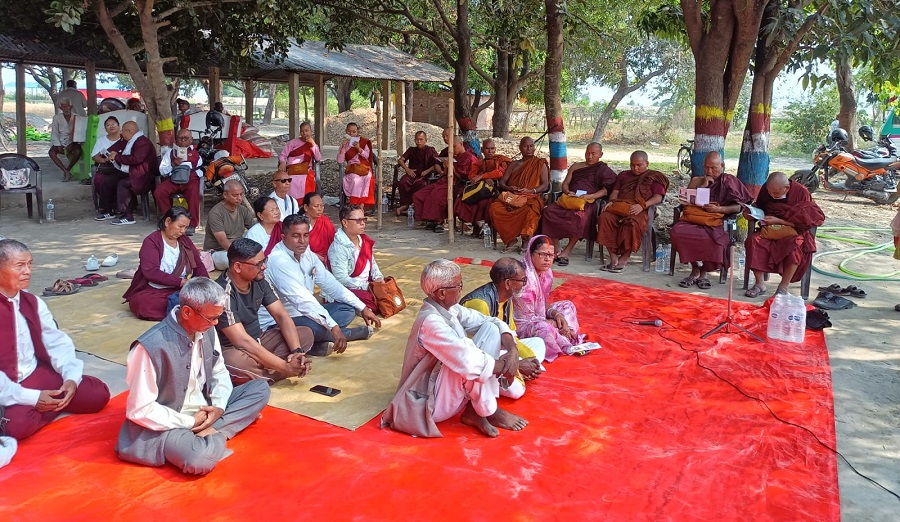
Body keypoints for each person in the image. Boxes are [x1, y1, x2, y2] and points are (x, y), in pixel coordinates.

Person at [115, 277, 270, 476]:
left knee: (260, 389)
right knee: (199, 460)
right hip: (170, 423)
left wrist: (218, 406)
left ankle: (213, 431)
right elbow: (140, 409)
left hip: (205, 409)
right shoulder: (149, 347)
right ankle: (217, 432)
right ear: (187, 312)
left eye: (218, 317)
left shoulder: (207, 330)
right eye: (211, 318)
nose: (216, 323)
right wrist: (189, 422)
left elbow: (218, 371)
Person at [382, 259, 526, 438]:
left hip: (451, 396)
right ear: (442, 293)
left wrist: (512, 352)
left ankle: (477, 409)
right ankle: (487, 410)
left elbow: (492, 321)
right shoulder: (430, 322)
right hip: (429, 402)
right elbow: (468, 361)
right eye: (458, 285)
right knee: (469, 358)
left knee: (490, 330)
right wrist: (507, 367)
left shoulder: (452, 309)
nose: (461, 289)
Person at [0, 239, 110, 441]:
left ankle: (47, 406)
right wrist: (32, 398)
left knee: (98, 394)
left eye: (30, 264)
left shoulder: (32, 302)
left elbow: (56, 342)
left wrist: (70, 379)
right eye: (20, 266)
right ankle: (41, 407)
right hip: (7, 387)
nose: (28, 271)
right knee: (16, 428)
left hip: (35, 373)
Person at [262, 214, 382, 356]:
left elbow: (331, 284)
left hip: (306, 314)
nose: (302, 241)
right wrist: (334, 327)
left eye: (306, 235)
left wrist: (362, 308)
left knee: (347, 310)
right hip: (279, 322)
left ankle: (316, 345)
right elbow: (303, 301)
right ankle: (348, 334)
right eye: (295, 236)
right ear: (283, 237)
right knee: (314, 326)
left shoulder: (306, 253)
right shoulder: (279, 261)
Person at [214, 239, 315, 381]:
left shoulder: (259, 280)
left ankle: (268, 370)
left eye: (264, 260)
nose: (264, 267)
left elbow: (281, 316)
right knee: (235, 362)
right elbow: (242, 341)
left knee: (305, 333)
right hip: (234, 349)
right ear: (237, 267)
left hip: (260, 340)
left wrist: (297, 352)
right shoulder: (222, 293)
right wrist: (285, 367)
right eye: (258, 264)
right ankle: (278, 371)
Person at [460, 257, 546, 399]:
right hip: (480, 357)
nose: (525, 285)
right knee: (517, 392)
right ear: (508, 283)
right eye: (523, 281)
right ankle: (512, 372)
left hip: (503, 349)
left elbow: (512, 336)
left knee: (539, 343)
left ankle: (518, 369)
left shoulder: (507, 298)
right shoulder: (480, 304)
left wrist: (530, 358)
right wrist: (518, 363)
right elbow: (479, 350)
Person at [670, 152, 752, 289]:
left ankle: (703, 273)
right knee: (677, 231)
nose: (709, 171)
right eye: (706, 168)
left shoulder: (729, 181)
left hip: (716, 221)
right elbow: (685, 202)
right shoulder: (696, 180)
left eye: (713, 168)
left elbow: (739, 206)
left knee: (714, 240)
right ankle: (695, 268)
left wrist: (719, 210)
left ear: (722, 166)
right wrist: (702, 185)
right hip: (694, 219)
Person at [744, 172, 825, 297]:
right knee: (753, 241)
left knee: (796, 246)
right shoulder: (767, 189)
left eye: (775, 193)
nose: (771, 195)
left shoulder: (801, 193)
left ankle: (783, 286)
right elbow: (760, 206)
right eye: (770, 192)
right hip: (769, 230)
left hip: (793, 231)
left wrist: (779, 221)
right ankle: (759, 283)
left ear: (786, 188)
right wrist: (751, 212)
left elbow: (807, 219)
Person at [122, 208, 209, 321]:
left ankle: (184, 309)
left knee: (206, 295)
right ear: (168, 222)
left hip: (181, 289)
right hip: (155, 290)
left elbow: (198, 265)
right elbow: (151, 272)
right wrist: (181, 282)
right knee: (142, 304)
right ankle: (187, 310)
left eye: (186, 227)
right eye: (180, 226)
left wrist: (206, 284)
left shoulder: (185, 240)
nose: (183, 231)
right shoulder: (151, 242)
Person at [541, 142, 617, 265]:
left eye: (593, 154)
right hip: (570, 199)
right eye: (588, 153)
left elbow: (607, 189)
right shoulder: (576, 166)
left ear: (600, 154)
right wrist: (567, 191)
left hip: (588, 202)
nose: (590, 156)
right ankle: (556, 246)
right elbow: (565, 183)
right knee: (548, 211)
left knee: (580, 218)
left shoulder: (602, 169)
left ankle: (567, 250)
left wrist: (591, 196)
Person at [514, 235, 585, 362]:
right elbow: (525, 319)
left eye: (551, 255)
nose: (547, 259)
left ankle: (565, 332)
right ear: (531, 253)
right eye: (542, 254)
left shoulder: (547, 273)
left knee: (567, 306)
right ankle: (564, 340)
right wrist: (552, 323)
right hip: (521, 324)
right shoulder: (524, 278)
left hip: (538, 317)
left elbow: (542, 303)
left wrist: (556, 314)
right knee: (544, 328)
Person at [596, 150, 669, 272]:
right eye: (632, 165)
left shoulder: (653, 177)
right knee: (604, 217)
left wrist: (643, 205)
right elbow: (615, 192)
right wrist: (612, 202)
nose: (635, 168)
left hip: (639, 210)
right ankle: (613, 257)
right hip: (620, 207)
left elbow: (658, 197)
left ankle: (624, 257)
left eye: (639, 165)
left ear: (647, 163)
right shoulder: (624, 175)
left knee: (632, 223)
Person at [488, 137, 550, 252]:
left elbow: (545, 185)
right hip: (512, 197)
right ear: (520, 148)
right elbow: (502, 183)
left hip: (530, 197)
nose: (529, 149)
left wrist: (532, 191)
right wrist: (509, 188)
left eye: (531, 146)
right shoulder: (514, 164)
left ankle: (526, 241)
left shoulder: (540, 164)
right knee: (494, 208)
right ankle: (510, 240)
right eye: (526, 146)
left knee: (532, 210)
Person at [414, 136, 477, 233]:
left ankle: (438, 221)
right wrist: (446, 167)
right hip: (443, 181)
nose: (452, 150)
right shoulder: (454, 157)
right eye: (450, 147)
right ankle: (428, 220)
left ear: (461, 144)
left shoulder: (470, 157)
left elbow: (464, 177)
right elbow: (444, 174)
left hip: (457, 184)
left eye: (454, 146)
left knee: (436, 194)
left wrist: (453, 169)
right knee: (419, 195)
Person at [328, 205, 384, 313]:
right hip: (347, 289)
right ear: (345, 222)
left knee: (389, 288)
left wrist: (379, 279)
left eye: (364, 219)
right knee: (373, 301)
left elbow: (373, 264)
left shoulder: (363, 241)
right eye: (358, 220)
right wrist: (367, 286)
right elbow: (341, 279)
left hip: (368, 285)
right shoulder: (338, 248)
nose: (363, 223)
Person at [453, 138, 510, 236]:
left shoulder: (501, 160)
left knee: (488, 204)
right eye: (487, 149)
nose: (490, 151)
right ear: (482, 150)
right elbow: (471, 175)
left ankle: (489, 229)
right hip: (480, 190)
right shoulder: (479, 163)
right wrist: (483, 179)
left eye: (492, 149)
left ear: (495, 149)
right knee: (461, 200)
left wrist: (482, 176)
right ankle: (477, 225)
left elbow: (500, 173)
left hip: (496, 191)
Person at [105, 121, 157, 226]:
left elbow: (135, 159)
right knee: (109, 181)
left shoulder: (143, 142)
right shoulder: (132, 141)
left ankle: (127, 216)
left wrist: (117, 157)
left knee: (122, 183)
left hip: (143, 177)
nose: (121, 135)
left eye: (122, 132)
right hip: (133, 172)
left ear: (128, 131)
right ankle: (108, 210)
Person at [154, 129, 203, 236]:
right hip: (173, 180)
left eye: (186, 138)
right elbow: (162, 170)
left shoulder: (196, 154)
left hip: (190, 180)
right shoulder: (170, 152)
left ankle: (192, 224)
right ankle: (170, 218)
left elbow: (199, 170)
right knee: (159, 192)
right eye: (180, 138)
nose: (183, 141)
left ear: (191, 140)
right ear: (176, 140)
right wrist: (173, 164)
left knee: (194, 193)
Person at [203, 180, 256, 270]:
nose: (239, 198)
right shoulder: (216, 213)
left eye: (241, 194)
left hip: (238, 249)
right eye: (235, 195)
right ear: (225, 195)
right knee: (230, 261)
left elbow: (255, 229)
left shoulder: (243, 210)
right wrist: (240, 255)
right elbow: (222, 240)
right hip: (218, 252)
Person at [395, 130, 440, 216]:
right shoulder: (411, 150)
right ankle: (405, 205)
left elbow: (436, 164)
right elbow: (400, 160)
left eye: (421, 139)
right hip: (412, 174)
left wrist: (427, 171)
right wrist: (407, 169)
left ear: (426, 140)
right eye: (416, 140)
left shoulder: (431, 150)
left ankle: (414, 206)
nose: (418, 142)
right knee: (403, 182)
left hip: (424, 175)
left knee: (421, 184)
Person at [277, 121, 321, 200]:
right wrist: (283, 162)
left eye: (306, 131)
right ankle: (291, 202)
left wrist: (313, 144)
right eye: (302, 131)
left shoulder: (313, 145)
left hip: (306, 170)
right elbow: (283, 155)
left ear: (311, 131)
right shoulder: (293, 143)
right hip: (292, 170)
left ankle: (306, 202)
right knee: (289, 181)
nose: (304, 133)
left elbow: (318, 158)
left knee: (307, 180)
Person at [337, 122, 375, 210]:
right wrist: (342, 148)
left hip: (363, 167)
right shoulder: (344, 144)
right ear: (346, 131)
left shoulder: (363, 142)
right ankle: (354, 203)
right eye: (349, 131)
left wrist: (358, 148)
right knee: (355, 180)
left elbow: (367, 156)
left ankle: (361, 204)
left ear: (357, 132)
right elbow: (340, 161)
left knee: (368, 178)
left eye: (354, 132)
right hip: (352, 169)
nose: (351, 133)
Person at [90, 116, 123, 211]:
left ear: (119, 126)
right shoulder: (101, 140)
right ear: (105, 129)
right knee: (99, 180)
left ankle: (119, 205)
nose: (111, 126)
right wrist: (105, 160)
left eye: (113, 124)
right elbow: (94, 156)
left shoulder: (124, 139)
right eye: (108, 125)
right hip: (106, 168)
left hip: (121, 167)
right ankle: (108, 206)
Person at [49, 99, 82, 182]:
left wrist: (74, 142)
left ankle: (68, 169)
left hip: (72, 141)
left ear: (70, 107)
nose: (65, 108)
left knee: (78, 151)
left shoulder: (76, 117)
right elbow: (54, 132)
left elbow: (79, 132)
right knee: (51, 152)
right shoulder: (57, 117)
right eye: (63, 107)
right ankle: (65, 171)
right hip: (61, 140)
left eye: (67, 106)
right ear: (60, 108)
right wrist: (58, 144)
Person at [303, 192, 336, 265]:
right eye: (316, 206)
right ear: (306, 207)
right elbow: (298, 249)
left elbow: (334, 242)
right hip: (306, 261)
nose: (320, 209)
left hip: (328, 259)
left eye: (322, 206)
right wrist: (320, 259)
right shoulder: (298, 224)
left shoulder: (325, 221)